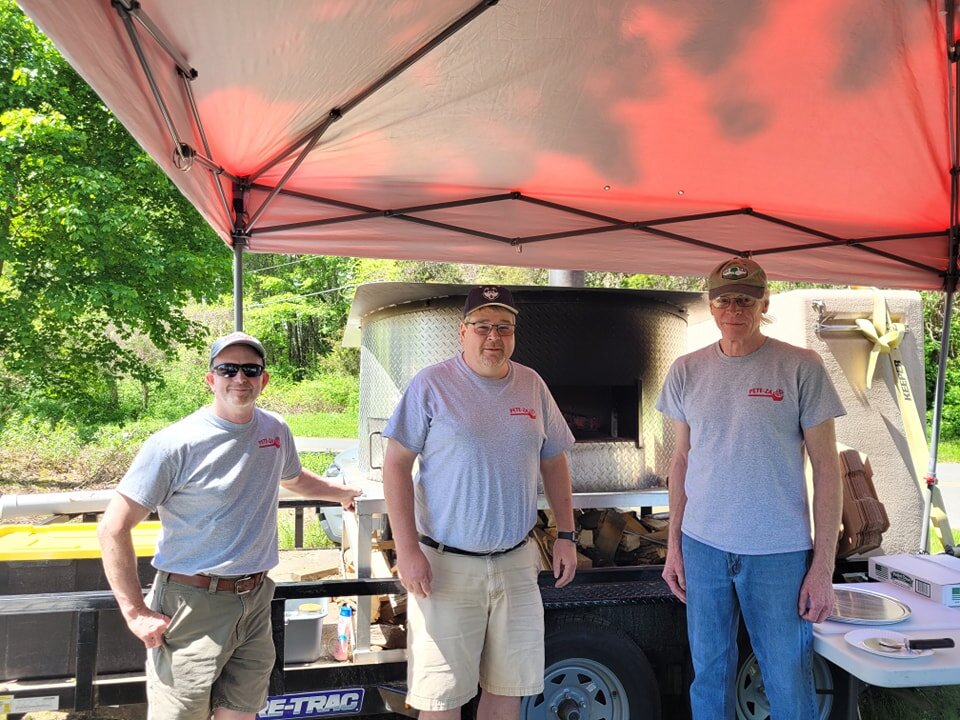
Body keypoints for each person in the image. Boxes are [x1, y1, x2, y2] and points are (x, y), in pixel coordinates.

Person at [98, 331, 361, 720]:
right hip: (191, 603)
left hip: (255, 599)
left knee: (241, 713)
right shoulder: (174, 444)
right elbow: (112, 528)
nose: (240, 378)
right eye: (228, 369)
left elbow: (294, 478)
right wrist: (135, 612)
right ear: (211, 379)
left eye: (251, 369)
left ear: (264, 379)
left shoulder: (274, 430)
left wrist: (343, 492)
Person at [656, 258, 845, 720]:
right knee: (709, 677)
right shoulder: (685, 370)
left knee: (787, 678)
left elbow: (826, 467)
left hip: (778, 553)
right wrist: (673, 546)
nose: (734, 309)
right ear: (710, 305)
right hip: (703, 548)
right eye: (723, 299)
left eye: (745, 300)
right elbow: (681, 460)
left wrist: (822, 567)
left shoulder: (801, 366)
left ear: (765, 302)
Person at [382, 285, 577, 720]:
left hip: (516, 565)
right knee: (442, 701)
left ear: (514, 333)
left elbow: (555, 459)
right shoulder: (432, 384)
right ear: (462, 331)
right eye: (483, 326)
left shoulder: (531, 385)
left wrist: (566, 534)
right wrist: (408, 550)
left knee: (507, 695)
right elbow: (395, 466)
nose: (494, 337)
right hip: (445, 569)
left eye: (504, 327)